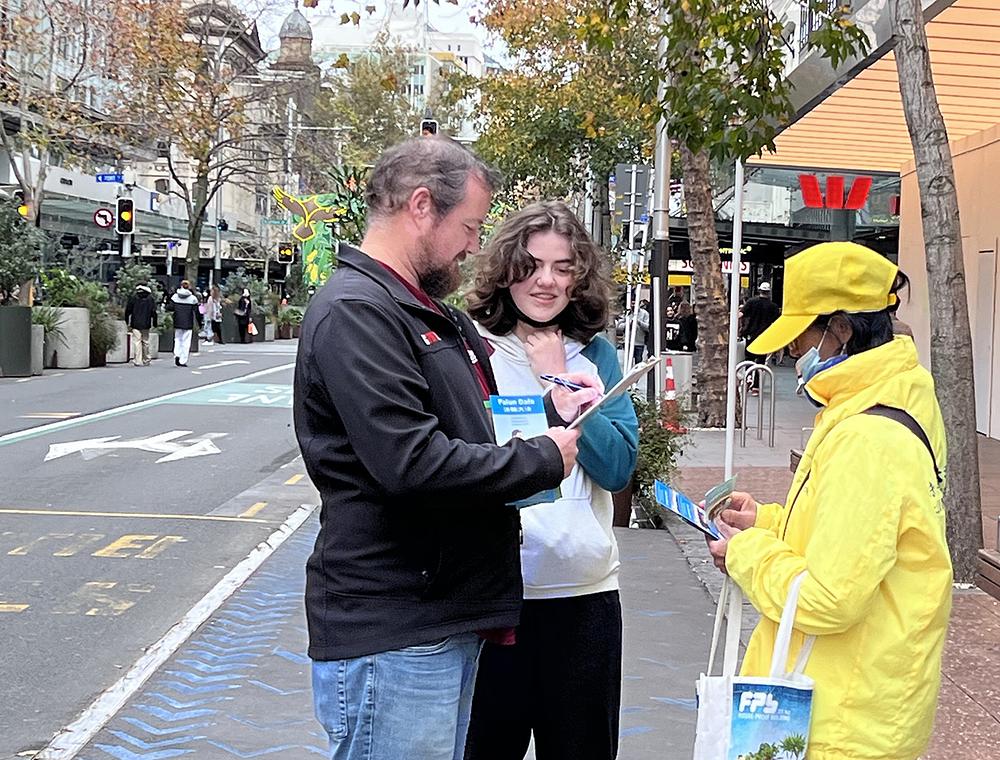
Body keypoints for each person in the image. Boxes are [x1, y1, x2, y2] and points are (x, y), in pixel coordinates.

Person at [293, 137, 586, 760]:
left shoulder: (416, 310)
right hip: (396, 625)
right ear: (422, 206)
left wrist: (544, 421)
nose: (474, 244)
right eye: (469, 226)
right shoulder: (358, 312)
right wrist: (540, 459)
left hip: (437, 615)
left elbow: (463, 431)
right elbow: (412, 461)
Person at [707, 242, 951, 760]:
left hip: (840, 722)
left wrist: (747, 553)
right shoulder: (896, 396)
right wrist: (769, 523)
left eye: (801, 338)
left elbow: (829, 597)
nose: (794, 354)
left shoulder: (866, 436)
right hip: (859, 703)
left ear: (840, 328)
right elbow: (859, 533)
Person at [465, 201, 638, 760]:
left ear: (579, 277)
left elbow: (618, 468)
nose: (546, 280)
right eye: (532, 264)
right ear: (507, 268)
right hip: (493, 598)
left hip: (582, 596)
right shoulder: (472, 350)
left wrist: (561, 379)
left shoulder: (597, 355)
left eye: (563, 268)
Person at [739, 282, 780, 393]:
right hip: (765, 337)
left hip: (750, 335)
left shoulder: (751, 302)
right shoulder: (773, 307)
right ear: (769, 292)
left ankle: (748, 378)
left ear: (759, 290)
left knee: (749, 359)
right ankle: (756, 386)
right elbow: (777, 323)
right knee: (760, 362)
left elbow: (741, 314)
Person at [167, 280, 201, 367]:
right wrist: (199, 323)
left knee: (177, 339)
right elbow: (197, 312)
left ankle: (176, 354)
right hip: (188, 322)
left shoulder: (175, 296)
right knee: (186, 341)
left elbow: (170, 307)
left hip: (177, 321)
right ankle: (183, 360)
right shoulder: (193, 298)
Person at [124, 284, 157, 367]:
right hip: (146, 323)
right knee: (145, 341)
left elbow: (128, 310)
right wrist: (155, 322)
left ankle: (137, 360)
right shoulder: (150, 299)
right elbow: (154, 312)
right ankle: (146, 359)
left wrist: (127, 320)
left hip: (135, 323)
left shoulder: (134, 298)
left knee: (137, 341)